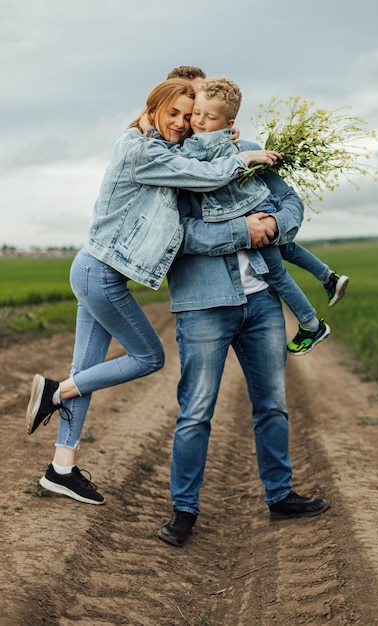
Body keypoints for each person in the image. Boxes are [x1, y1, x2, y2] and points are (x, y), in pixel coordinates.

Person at [25, 77, 280, 506]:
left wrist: (221, 139)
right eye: (176, 113)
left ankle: (60, 469)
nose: (183, 122)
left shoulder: (154, 142)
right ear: (154, 106)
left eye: (190, 114)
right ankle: (52, 393)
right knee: (149, 357)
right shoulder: (141, 149)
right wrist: (244, 157)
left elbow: (189, 155)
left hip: (94, 270)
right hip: (99, 276)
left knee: (84, 372)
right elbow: (197, 174)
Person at [158, 95, 331, 549]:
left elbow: (290, 200)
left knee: (272, 405)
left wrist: (274, 224)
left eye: (201, 111)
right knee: (196, 412)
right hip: (203, 304)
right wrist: (242, 232)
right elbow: (176, 234)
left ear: (223, 118)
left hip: (262, 302)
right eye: (187, 111)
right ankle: (184, 511)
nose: (194, 119)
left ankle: (280, 496)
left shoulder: (249, 151)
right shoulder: (171, 166)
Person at [173, 76, 349, 355]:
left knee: (277, 276)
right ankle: (328, 276)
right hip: (262, 206)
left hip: (248, 215)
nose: (198, 121)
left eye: (208, 117)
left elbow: (179, 159)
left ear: (228, 124)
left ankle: (311, 324)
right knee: (287, 246)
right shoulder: (234, 142)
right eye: (196, 113)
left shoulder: (199, 147)